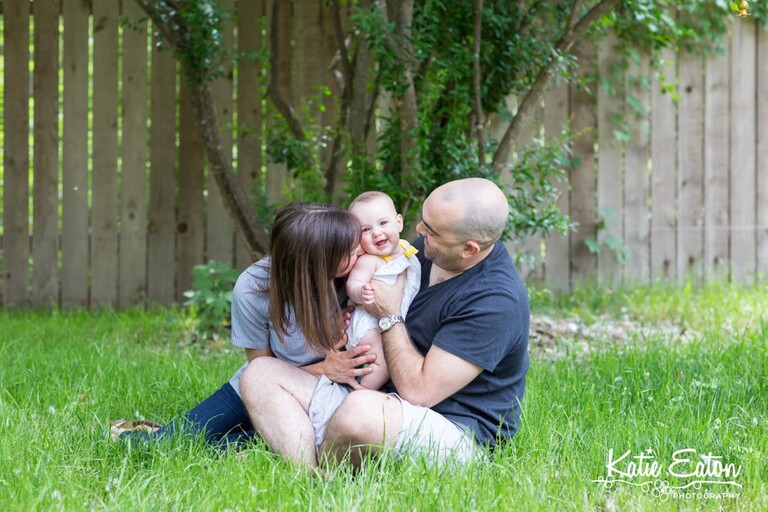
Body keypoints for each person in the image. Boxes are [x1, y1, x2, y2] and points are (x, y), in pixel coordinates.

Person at [239, 177, 530, 469]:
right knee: (258, 373)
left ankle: (320, 447)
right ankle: (310, 476)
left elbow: (419, 393)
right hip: (373, 397)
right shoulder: (432, 252)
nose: (418, 231)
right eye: (423, 221)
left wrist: (388, 314)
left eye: (431, 230)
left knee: (360, 414)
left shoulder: (495, 301)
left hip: (453, 429)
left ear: (469, 249)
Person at [111, 203, 376, 449]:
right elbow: (260, 372)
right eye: (351, 252)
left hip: (322, 394)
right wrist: (325, 369)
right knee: (167, 443)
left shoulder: (356, 277)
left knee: (259, 442)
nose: (361, 252)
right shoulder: (254, 289)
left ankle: (252, 442)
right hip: (270, 382)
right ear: (318, 263)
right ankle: (145, 437)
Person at [309, 191, 421, 445]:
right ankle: (360, 395)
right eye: (366, 230)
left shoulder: (408, 252)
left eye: (383, 223)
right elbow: (353, 284)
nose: (377, 233)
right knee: (380, 363)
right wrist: (362, 291)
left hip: (390, 321)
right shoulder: (370, 260)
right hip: (368, 322)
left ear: (399, 222)